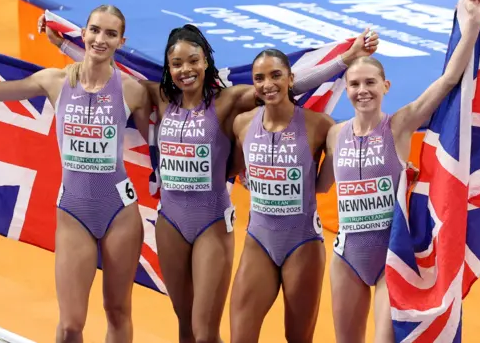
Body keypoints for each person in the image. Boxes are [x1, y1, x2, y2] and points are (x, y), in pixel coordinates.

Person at [40, 17, 378, 343]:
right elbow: (110, 76)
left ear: (206, 62)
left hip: (214, 223)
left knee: (205, 333)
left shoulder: (228, 100)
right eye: (177, 63)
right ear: (169, 69)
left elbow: (283, 88)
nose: (185, 69)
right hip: (169, 223)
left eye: (193, 61)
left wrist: (346, 60)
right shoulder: (158, 96)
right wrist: (66, 48)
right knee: (186, 327)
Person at [0, 4, 152, 343]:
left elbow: (158, 144)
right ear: (83, 34)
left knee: (117, 311)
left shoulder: (132, 91)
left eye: (111, 33)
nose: (101, 38)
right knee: (70, 325)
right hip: (74, 214)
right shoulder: (54, 81)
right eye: (95, 30)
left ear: (121, 41)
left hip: (120, 214)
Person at [316, 0, 480, 343]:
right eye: (354, 84)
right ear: (345, 88)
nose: (362, 90)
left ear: (385, 87)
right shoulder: (333, 135)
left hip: (391, 261)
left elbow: (447, 82)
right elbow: (320, 186)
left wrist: (470, 26)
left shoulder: (399, 125)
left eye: (370, 83)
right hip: (346, 259)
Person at [228, 48, 338, 343]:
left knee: (298, 338)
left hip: (302, 243)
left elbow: (351, 157)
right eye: (260, 78)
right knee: (240, 335)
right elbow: (235, 170)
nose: (268, 84)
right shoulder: (242, 124)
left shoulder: (319, 125)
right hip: (259, 241)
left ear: (291, 79)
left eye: (276, 75)